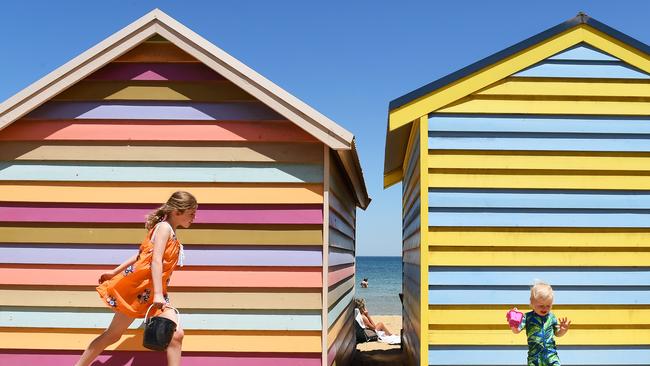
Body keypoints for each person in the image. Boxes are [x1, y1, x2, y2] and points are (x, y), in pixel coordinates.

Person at [75, 191, 198, 366]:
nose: (194, 218)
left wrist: (114, 271)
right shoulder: (164, 228)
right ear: (177, 212)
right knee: (113, 335)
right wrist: (157, 294)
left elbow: (141, 255)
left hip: (155, 292)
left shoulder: (168, 231)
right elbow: (155, 260)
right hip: (143, 292)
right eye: (191, 213)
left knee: (176, 335)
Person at [509, 281, 571, 366]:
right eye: (541, 305)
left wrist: (563, 330)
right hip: (534, 356)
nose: (545, 308)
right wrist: (513, 324)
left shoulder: (551, 317)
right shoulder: (527, 317)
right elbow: (516, 331)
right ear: (532, 303)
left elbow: (557, 333)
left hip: (551, 355)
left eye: (548, 306)